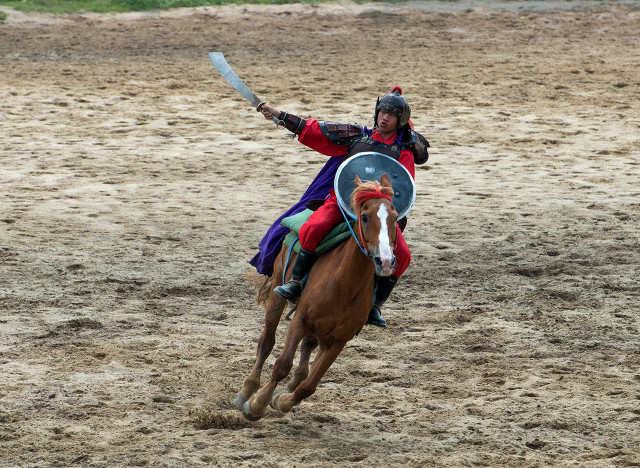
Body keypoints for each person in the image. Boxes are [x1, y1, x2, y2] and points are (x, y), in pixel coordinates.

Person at [252, 87, 429, 327]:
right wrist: (280, 115)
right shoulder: (357, 137)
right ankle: (295, 281)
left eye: (391, 114)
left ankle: (374, 305)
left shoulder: (403, 154)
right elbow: (315, 130)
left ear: (401, 120)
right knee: (313, 227)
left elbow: (401, 191)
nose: (384, 118)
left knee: (404, 255)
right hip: (342, 201)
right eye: (382, 112)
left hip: (376, 213)